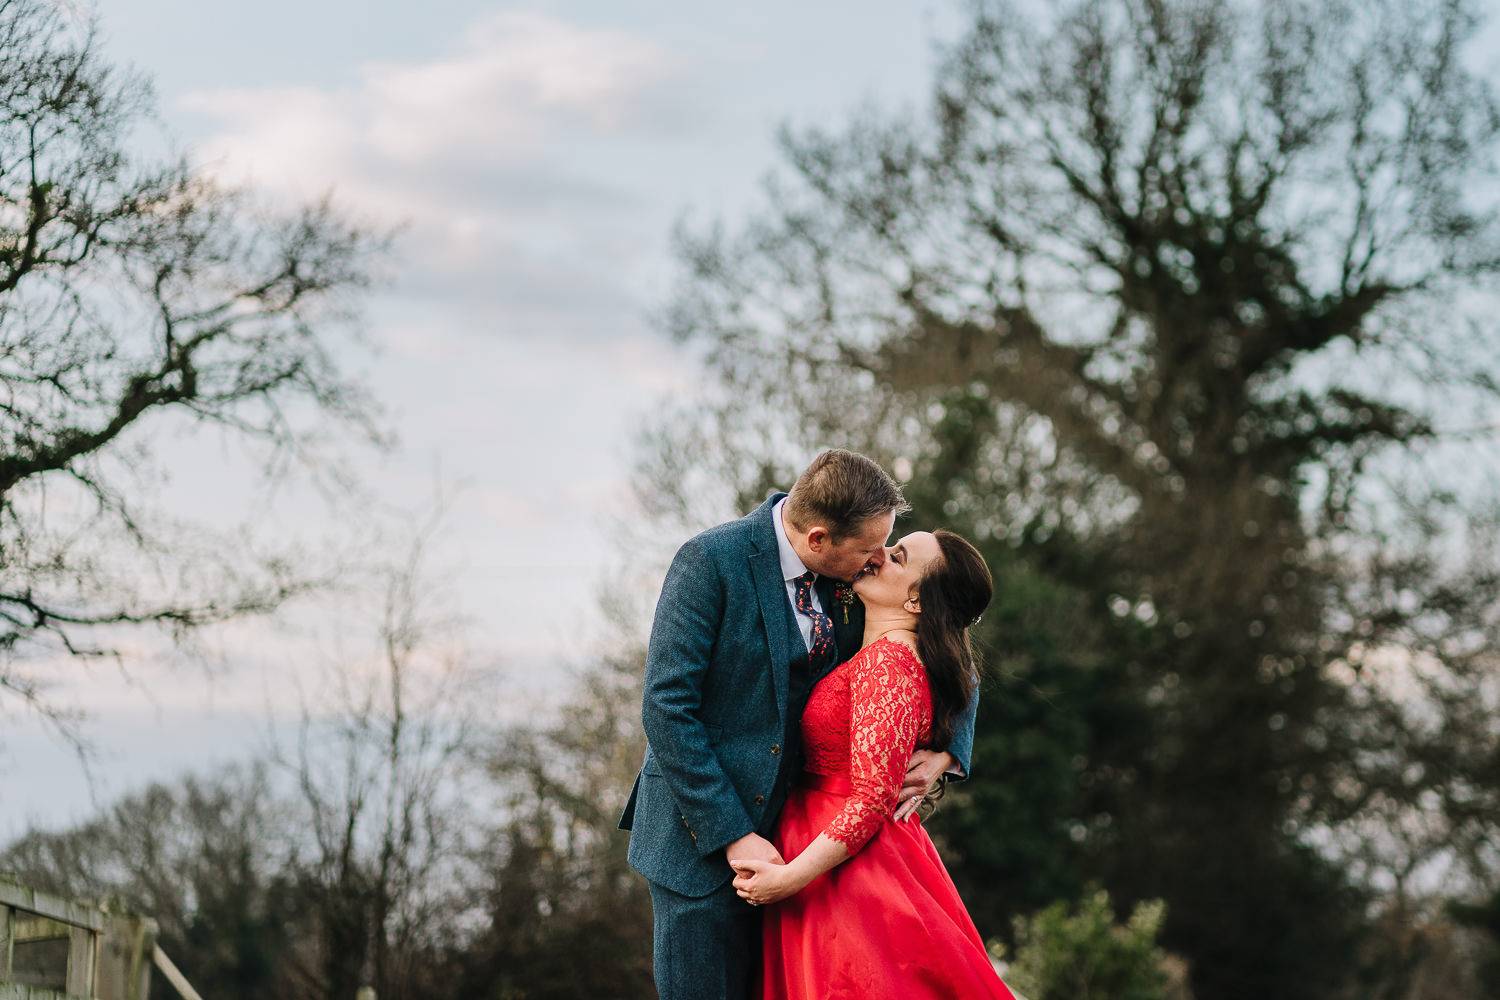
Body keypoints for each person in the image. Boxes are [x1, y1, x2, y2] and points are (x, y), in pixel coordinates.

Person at [619, 450, 979, 1000]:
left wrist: (949, 752)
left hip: (810, 854)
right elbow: (666, 707)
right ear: (817, 540)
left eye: (887, 545)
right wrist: (734, 836)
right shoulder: (711, 561)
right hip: (701, 846)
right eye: (869, 549)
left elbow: (946, 635)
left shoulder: (858, 570)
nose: (879, 557)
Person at [730, 528, 1014, 1000]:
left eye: (898, 557)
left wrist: (790, 877)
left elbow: (872, 798)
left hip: (847, 868)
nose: (879, 554)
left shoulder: (890, 664)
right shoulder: (875, 638)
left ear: (918, 601)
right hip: (826, 845)